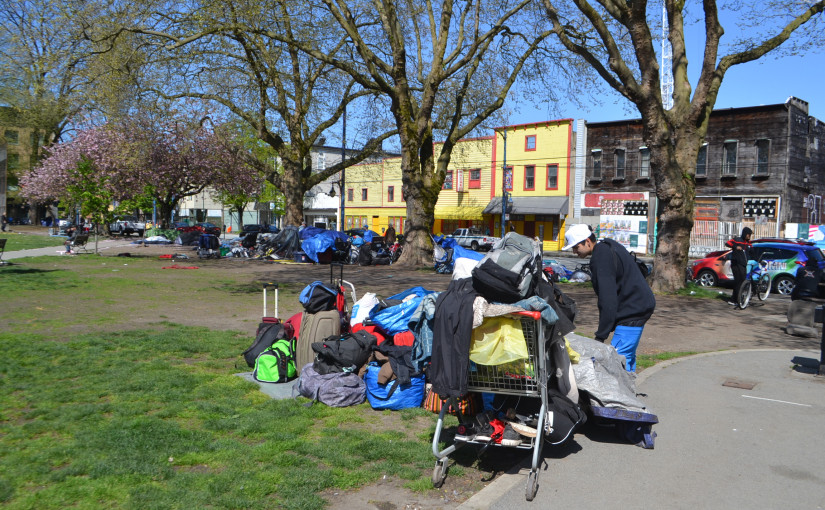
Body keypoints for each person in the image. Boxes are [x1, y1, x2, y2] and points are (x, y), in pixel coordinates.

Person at [563, 224, 656, 372]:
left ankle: (623, 393)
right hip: (641, 303)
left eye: (576, 247)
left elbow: (607, 298)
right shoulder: (607, 244)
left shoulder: (600, 258)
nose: (574, 252)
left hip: (633, 309)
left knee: (616, 360)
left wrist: (601, 335)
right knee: (627, 357)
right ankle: (631, 389)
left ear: (587, 241)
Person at [725, 227, 753, 305]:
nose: (749, 236)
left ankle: (740, 298)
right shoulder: (737, 239)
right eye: (748, 234)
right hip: (736, 263)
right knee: (738, 281)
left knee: (743, 281)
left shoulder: (748, 243)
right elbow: (728, 243)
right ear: (744, 233)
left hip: (744, 264)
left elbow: (752, 251)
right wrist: (735, 247)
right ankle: (734, 300)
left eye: (750, 235)